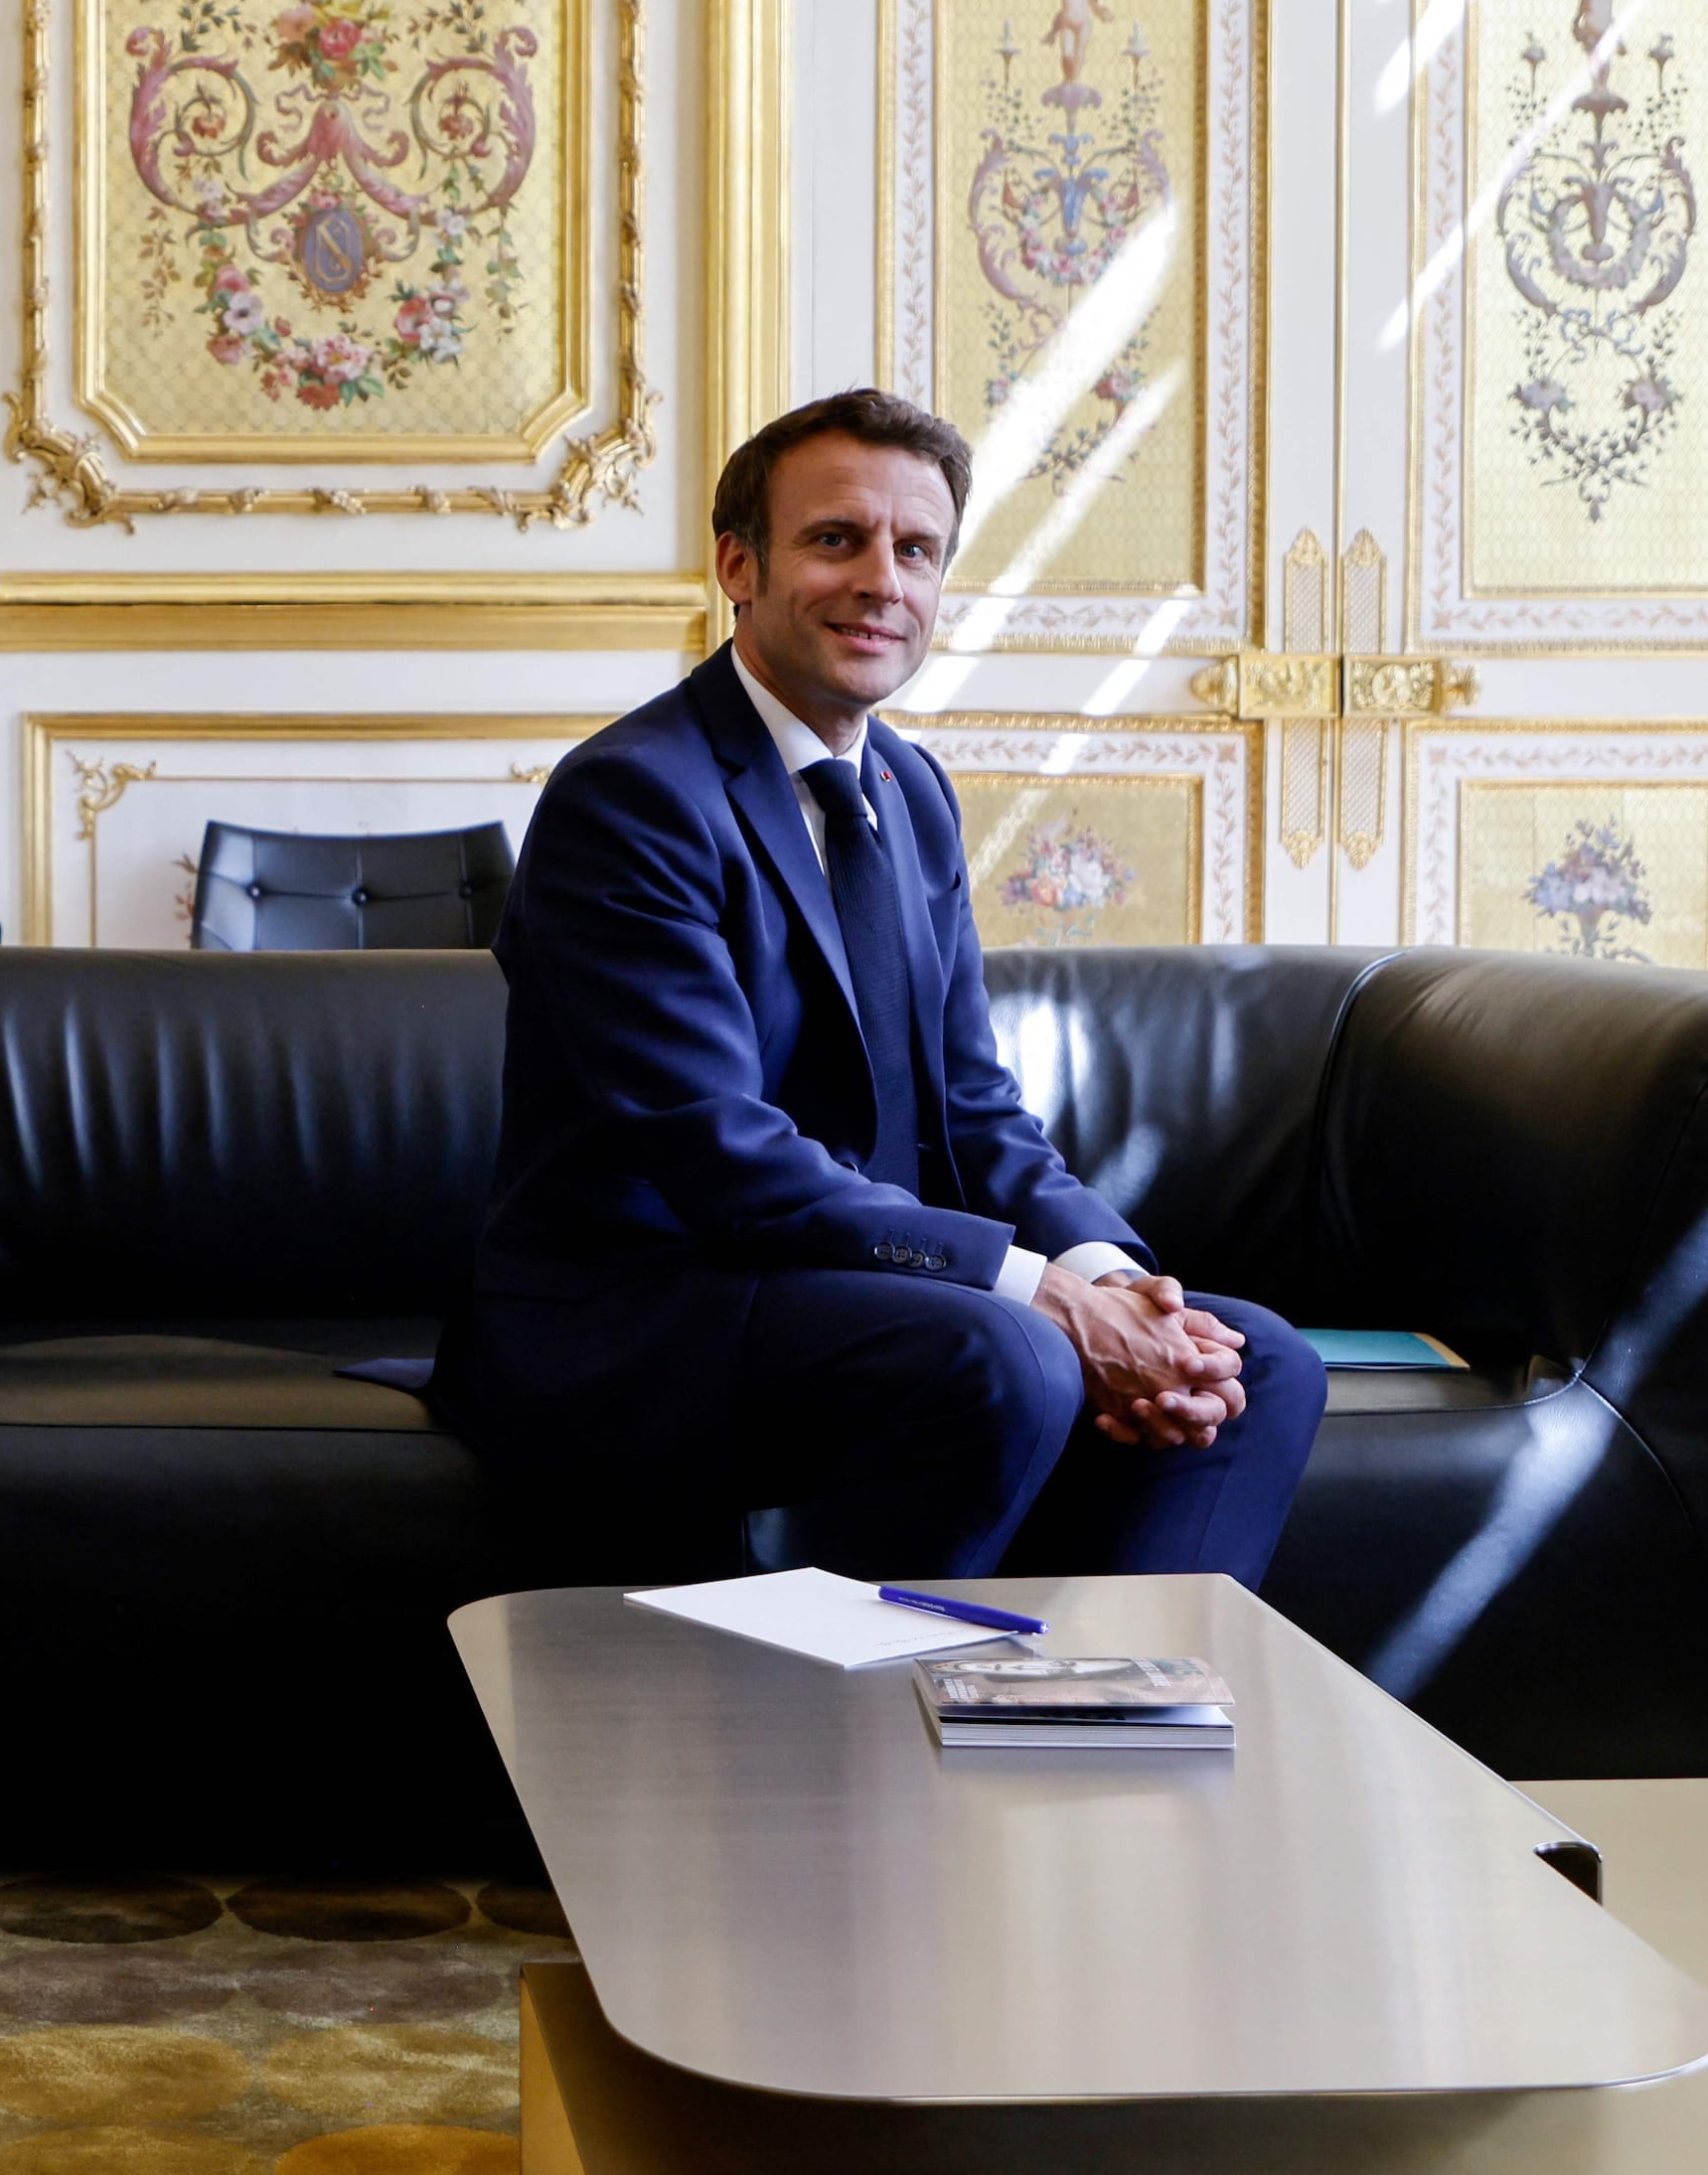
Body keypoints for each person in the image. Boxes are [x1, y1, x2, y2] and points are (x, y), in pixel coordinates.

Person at [443, 388, 1325, 1581]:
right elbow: (718, 1151)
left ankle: (1102, 1718)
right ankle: (837, 1738)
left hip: (859, 1296)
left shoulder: (907, 791)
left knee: (1253, 1357)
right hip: (644, 1309)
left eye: (915, 550)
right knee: (1008, 1352)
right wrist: (1044, 1297)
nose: (882, 580)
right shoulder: (632, 796)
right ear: (736, 564)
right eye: (834, 539)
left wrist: (1122, 1284)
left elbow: (972, 1106)